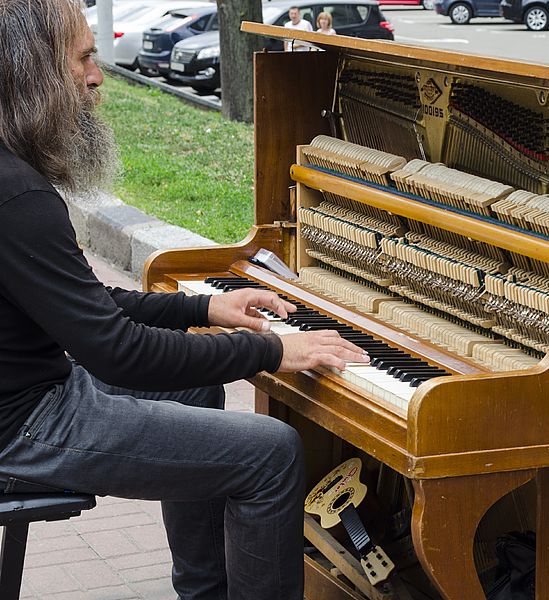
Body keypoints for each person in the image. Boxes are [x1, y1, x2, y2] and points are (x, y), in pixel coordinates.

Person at [0, 1, 368, 598]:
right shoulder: (19, 199)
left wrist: (202, 309)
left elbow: (86, 303)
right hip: (23, 425)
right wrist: (268, 350)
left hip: (25, 393)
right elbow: (120, 355)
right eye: (84, 58)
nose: (98, 76)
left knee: (190, 387)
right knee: (271, 453)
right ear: (34, 73)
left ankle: (205, 591)